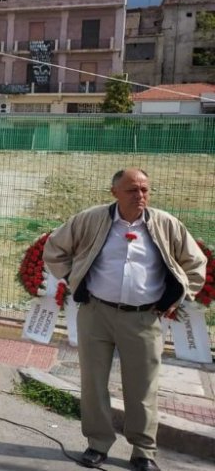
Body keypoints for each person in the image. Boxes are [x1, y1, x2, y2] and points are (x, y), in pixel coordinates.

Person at [43, 168, 205, 471]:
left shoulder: (165, 224)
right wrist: (73, 277)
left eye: (145, 189)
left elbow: (195, 263)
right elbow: (55, 247)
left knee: (142, 387)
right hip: (96, 313)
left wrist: (179, 296)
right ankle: (98, 443)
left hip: (143, 318)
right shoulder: (91, 219)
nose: (140, 196)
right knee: (93, 382)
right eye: (132, 190)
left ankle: (143, 450)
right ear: (114, 192)